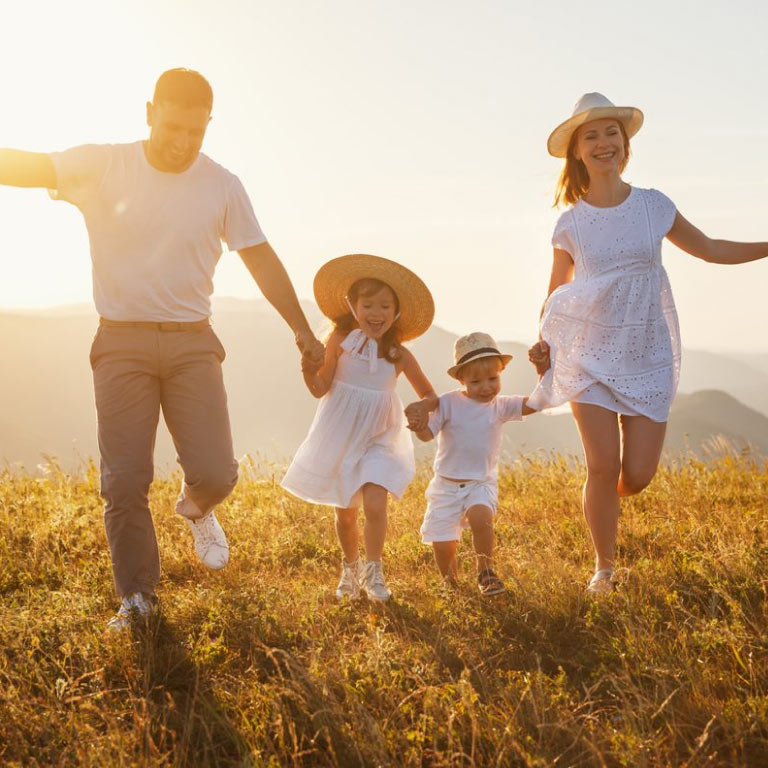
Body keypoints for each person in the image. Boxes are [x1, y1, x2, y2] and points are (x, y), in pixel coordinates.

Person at [0, 68, 324, 629]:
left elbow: (262, 259)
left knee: (218, 473)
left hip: (192, 343)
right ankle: (138, 598)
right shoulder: (105, 163)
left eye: (196, 133)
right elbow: (31, 167)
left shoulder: (223, 185)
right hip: (120, 342)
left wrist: (301, 328)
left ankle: (197, 508)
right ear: (149, 111)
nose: (182, 143)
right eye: (173, 127)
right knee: (124, 481)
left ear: (209, 126)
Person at [527, 92, 768, 594]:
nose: (603, 142)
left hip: (647, 353)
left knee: (635, 475)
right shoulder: (570, 222)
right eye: (590, 136)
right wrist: (543, 343)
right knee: (601, 464)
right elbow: (556, 293)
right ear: (577, 151)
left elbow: (710, 248)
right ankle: (605, 569)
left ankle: (608, 500)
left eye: (611, 132)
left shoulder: (654, 206)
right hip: (588, 353)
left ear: (624, 142)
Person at [282, 254, 438, 602]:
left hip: (381, 435)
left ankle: (375, 570)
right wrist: (308, 370)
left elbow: (430, 395)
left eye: (385, 305)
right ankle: (350, 568)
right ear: (352, 306)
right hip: (341, 433)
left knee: (375, 504)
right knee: (346, 514)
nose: (376, 313)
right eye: (369, 304)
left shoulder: (398, 354)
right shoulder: (339, 340)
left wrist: (420, 406)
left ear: (397, 313)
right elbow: (321, 389)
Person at [414, 332, 539, 595]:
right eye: (476, 381)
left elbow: (534, 404)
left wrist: (545, 373)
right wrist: (419, 425)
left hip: (480, 482)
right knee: (443, 543)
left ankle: (485, 571)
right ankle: (452, 585)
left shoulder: (500, 406)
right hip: (446, 486)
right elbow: (428, 435)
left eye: (493, 379)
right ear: (461, 380)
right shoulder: (448, 403)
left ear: (501, 372)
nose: (486, 387)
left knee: (481, 516)